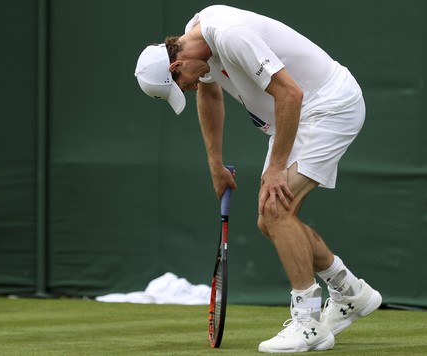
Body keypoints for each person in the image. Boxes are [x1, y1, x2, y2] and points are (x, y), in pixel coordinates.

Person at [134, 5, 381, 353]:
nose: (187, 89)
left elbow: (290, 94)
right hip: (296, 116)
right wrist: (215, 164)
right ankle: (350, 291)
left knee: (275, 210)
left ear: (176, 66)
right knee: (271, 220)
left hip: (327, 107)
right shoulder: (197, 39)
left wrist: (276, 168)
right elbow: (209, 92)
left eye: (182, 85)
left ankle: (308, 324)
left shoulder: (230, 35)